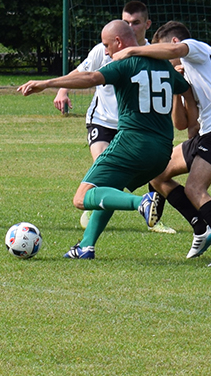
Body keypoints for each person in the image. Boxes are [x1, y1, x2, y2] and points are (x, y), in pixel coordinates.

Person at [18, 20, 191, 260]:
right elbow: (186, 89)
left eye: (107, 45)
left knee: (82, 198)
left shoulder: (123, 63)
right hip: (162, 150)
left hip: (132, 142)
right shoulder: (163, 64)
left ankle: (141, 203)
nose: (106, 51)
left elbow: (89, 78)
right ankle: (85, 247)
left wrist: (48, 83)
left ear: (119, 42)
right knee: (109, 188)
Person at [112, 20, 211, 267]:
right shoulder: (188, 71)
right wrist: (177, 90)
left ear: (175, 42)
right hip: (206, 135)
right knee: (157, 173)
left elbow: (174, 52)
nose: (165, 61)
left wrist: (132, 50)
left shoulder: (196, 48)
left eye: (162, 51)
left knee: (195, 189)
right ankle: (201, 228)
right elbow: (184, 124)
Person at [53, 1, 176, 234]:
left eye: (136, 23)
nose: (130, 26)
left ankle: (152, 215)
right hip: (103, 122)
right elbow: (84, 74)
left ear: (147, 25)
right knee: (103, 171)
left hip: (134, 128)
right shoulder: (104, 49)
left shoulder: (153, 53)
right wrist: (62, 89)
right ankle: (94, 214)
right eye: (126, 22)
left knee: (155, 174)